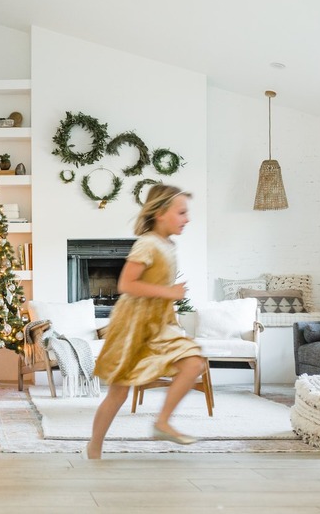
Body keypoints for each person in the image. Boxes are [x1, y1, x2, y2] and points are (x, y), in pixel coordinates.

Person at [84, 184, 206, 459]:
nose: (187, 219)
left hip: (160, 323)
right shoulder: (147, 243)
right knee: (119, 392)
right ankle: (93, 448)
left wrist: (169, 298)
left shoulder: (168, 245)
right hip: (133, 325)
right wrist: (170, 292)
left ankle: (162, 422)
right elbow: (126, 283)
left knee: (194, 362)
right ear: (161, 212)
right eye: (182, 212)